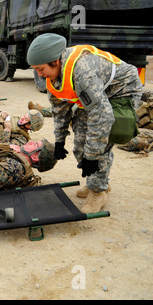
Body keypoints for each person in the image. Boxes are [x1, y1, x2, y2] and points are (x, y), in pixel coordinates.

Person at [27, 33, 142, 213]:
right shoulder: (53, 79)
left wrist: (92, 155)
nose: (39, 74)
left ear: (55, 62)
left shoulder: (82, 71)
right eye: (35, 69)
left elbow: (102, 117)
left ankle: (98, 192)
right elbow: (60, 110)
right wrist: (59, 141)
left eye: (41, 69)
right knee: (80, 142)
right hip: (97, 94)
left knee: (99, 142)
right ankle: (97, 181)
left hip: (122, 90)